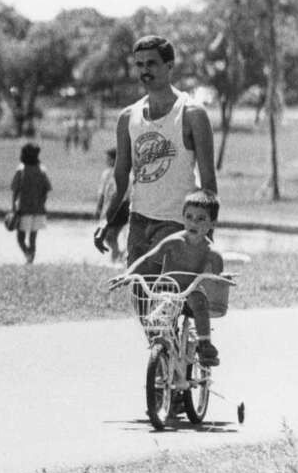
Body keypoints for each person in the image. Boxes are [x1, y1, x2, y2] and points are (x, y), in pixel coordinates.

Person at [95, 35, 218, 272]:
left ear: (169, 65)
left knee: (169, 295)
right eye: (139, 64)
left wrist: (207, 234)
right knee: (141, 297)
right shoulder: (128, 117)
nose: (144, 70)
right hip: (139, 219)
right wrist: (106, 220)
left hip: (178, 220)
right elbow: (120, 177)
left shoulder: (192, 114)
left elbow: (208, 181)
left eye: (151, 63)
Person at [124, 190, 225, 366]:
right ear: (183, 218)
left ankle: (205, 343)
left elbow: (216, 279)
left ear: (212, 224)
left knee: (199, 301)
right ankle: (164, 360)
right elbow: (147, 258)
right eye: (189, 216)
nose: (193, 222)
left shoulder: (211, 253)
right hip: (167, 290)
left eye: (201, 219)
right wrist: (127, 274)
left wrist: (223, 278)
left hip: (190, 291)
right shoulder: (173, 242)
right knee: (159, 320)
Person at [10, 142, 52, 264]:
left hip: (24, 209)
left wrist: (13, 207)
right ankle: (31, 260)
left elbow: (15, 191)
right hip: (39, 210)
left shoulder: (21, 170)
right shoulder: (42, 170)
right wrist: (42, 204)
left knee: (20, 238)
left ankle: (28, 256)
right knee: (33, 238)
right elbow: (46, 190)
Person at [94, 147, 129, 262]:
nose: (107, 161)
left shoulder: (113, 173)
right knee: (111, 236)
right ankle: (118, 255)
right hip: (118, 207)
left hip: (118, 208)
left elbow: (102, 192)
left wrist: (99, 207)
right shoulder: (119, 172)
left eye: (109, 159)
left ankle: (117, 256)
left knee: (110, 236)